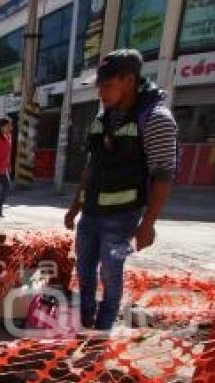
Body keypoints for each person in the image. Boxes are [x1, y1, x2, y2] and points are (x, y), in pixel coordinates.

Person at [65, 49, 178, 332]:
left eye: (107, 85)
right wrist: (75, 206)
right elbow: (92, 165)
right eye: (99, 86)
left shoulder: (156, 119)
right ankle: (85, 320)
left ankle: (102, 331)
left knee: (111, 274)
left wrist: (148, 224)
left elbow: (164, 176)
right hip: (91, 214)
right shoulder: (104, 118)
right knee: (84, 270)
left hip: (122, 217)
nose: (100, 92)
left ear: (129, 80)